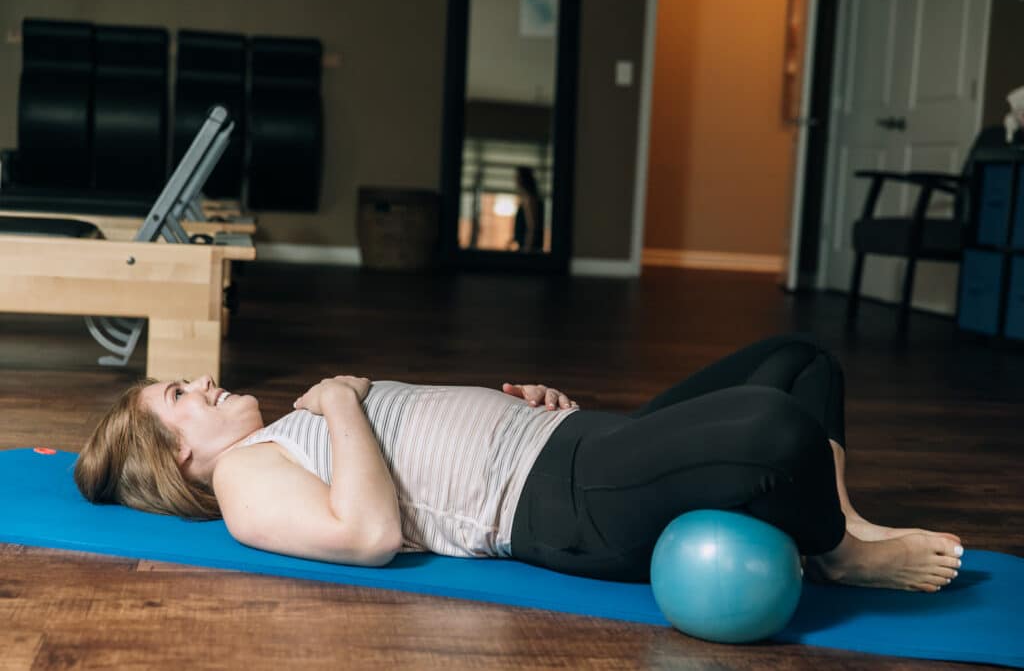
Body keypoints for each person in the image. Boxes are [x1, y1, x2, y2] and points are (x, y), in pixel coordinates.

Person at [75, 332, 963, 591]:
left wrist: (538, 411)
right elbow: (370, 532)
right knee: (777, 428)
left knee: (803, 362)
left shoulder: (266, 441)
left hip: (575, 446)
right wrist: (342, 400)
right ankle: (841, 551)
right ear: (178, 453)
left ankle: (839, 522)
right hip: (561, 505)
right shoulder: (242, 484)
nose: (200, 381)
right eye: (179, 396)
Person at [509, 166, 544, 253]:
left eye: (517, 177)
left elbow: (532, 226)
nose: (515, 180)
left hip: (530, 249)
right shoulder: (525, 199)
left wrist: (527, 249)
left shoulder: (530, 199)